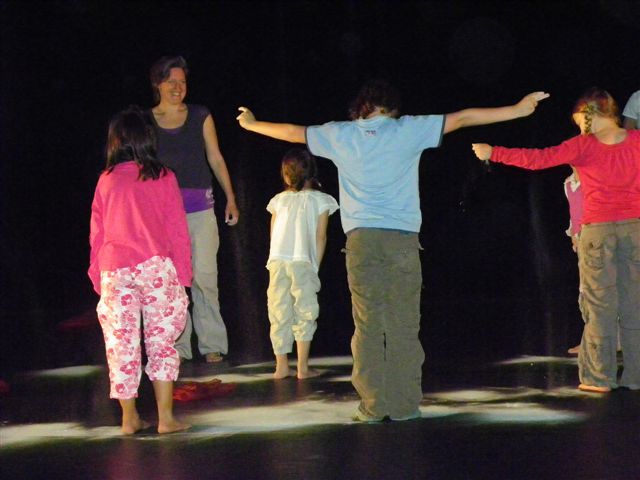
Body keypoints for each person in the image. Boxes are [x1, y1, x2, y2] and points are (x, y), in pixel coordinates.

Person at [237, 80, 549, 421]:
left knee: (368, 326)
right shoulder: (407, 130)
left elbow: (291, 132)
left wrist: (252, 124)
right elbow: (463, 118)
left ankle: (372, 407)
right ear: (392, 108)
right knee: (403, 325)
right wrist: (518, 109)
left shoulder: (340, 134)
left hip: (362, 241)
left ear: (360, 109)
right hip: (401, 240)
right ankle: (403, 406)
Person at [472, 87, 640, 393]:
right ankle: (636, 377)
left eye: (579, 122)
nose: (580, 128)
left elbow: (538, 159)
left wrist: (493, 152)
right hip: (635, 231)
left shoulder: (583, 145)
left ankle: (598, 379)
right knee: (635, 305)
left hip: (598, 232)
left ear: (588, 114)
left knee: (599, 307)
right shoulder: (637, 141)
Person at [89, 106, 192, 434]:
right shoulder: (164, 176)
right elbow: (177, 230)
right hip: (156, 267)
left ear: (115, 141)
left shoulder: (106, 180)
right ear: (148, 138)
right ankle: (166, 419)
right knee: (162, 341)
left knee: (121, 344)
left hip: (115, 270)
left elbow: (97, 234)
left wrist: (97, 276)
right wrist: (184, 275)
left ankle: (129, 418)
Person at [149, 56, 239, 363]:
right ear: (158, 84)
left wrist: (230, 197)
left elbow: (215, 157)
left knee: (204, 277)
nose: (177, 87)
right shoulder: (146, 122)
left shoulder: (201, 115)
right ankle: (178, 346)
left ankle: (212, 343)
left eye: (182, 82)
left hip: (200, 209)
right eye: (171, 82)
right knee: (173, 281)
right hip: (164, 214)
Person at [266, 149, 339, 379]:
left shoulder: (279, 200)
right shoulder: (320, 200)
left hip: (277, 261)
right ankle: (302, 368)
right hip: (303, 261)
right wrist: (315, 265)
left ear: (286, 174)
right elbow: (321, 237)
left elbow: (273, 233)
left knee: (278, 309)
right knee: (305, 311)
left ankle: (281, 366)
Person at [564, 168, 584, 355]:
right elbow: (574, 214)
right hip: (582, 242)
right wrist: (573, 236)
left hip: (598, 237)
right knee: (585, 291)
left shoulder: (592, 179)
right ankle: (591, 339)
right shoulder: (569, 183)